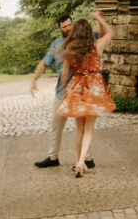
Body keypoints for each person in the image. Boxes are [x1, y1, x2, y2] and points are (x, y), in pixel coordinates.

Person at [30, 13, 95, 170]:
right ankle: (53, 157)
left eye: (70, 25)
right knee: (55, 123)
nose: (68, 28)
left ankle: (87, 158)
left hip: (79, 92)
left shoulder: (83, 42)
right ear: (59, 28)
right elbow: (44, 63)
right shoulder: (56, 44)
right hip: (61, 92)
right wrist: (34, 79)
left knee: (82, 126)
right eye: (64, 26)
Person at [57, 9, 115, 177]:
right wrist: (98, 19)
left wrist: (64, 89)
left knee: (79, 128)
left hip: (76, 85)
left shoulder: (70, 49)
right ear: (89, 32)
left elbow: (64, 73)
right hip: (93, 86)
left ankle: (78, 162)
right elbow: (110, 32)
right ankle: (81, 163)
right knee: (89, 128)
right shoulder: (97, 46)